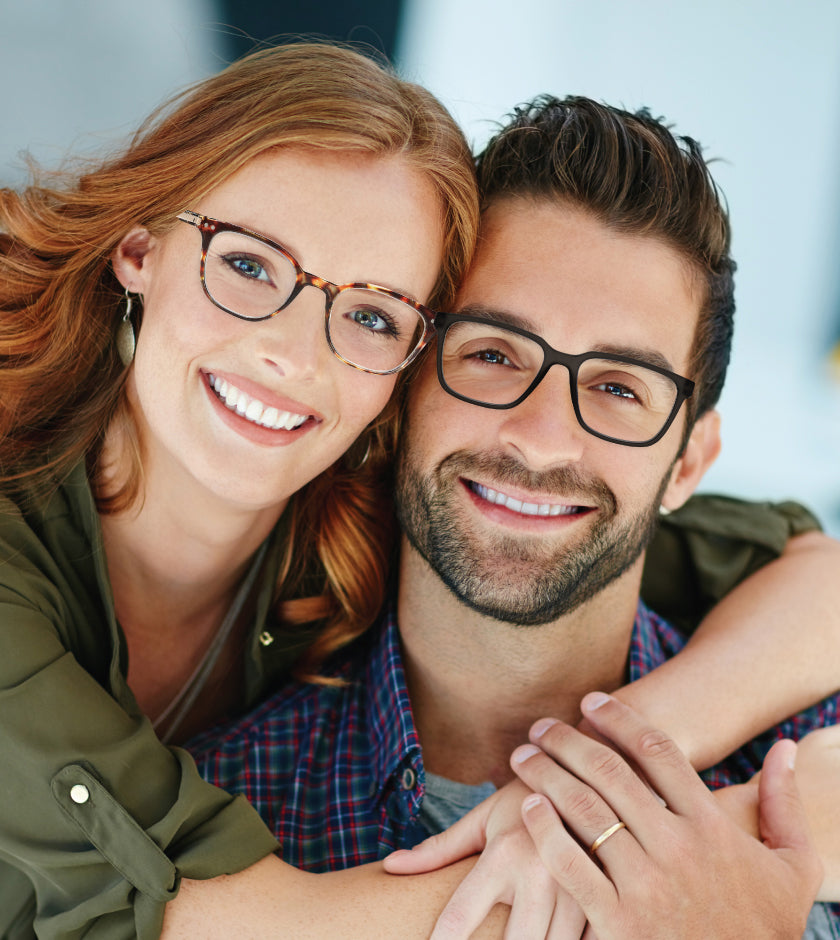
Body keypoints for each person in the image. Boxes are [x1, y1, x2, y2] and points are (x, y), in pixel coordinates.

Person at [0, 41, 837, 938]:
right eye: (490, 356)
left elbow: (808, 568)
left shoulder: (804, 739)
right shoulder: (235, 802)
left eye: (618, 388)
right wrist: (671, 872)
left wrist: (608, 773)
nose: (542, 438)